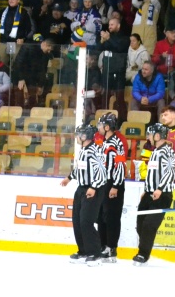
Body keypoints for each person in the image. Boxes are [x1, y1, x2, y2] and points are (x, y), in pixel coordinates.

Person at [60, 124, 106, 266]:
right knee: (77, 221)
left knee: (86, 221)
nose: (77, 136)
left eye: (79, 134)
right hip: (82, 188)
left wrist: (93, 187)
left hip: (93, 189)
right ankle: (83, 250)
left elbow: (101, 172)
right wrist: (69, 177)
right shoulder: (83, 150)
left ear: (85, 136)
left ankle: (95, 253)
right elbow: (80, 168)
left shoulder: (94, 151)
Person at [133, 123, 175, 266]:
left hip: (161, 195)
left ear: (157, 136)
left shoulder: (167, 151)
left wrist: (160, 189)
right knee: (140, 225)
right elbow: (151, 174)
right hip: (149, 193)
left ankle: (143, 254)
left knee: (149, 225)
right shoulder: (155, 151)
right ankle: (143, 250)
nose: (148, 137)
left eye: (150, 134)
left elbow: (170, 172)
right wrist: (147, 189)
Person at [97, 112, 126, 263]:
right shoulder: (104, 142)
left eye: (100, 125)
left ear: (107, 127)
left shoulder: (116, 143)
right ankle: (103, 245)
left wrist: (115, 185)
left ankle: (111, 247)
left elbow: (120, 165)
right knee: (101, 216)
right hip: (103, 183)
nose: (98, 127)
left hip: (113, 183)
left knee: (112, 217)